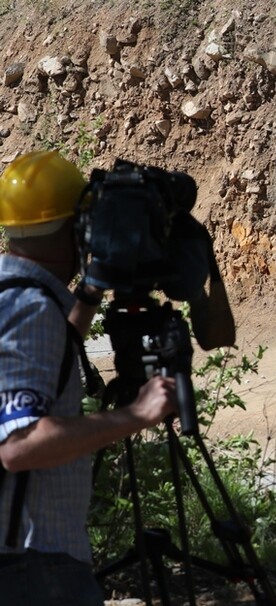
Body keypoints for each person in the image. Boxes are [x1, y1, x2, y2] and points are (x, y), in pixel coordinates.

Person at [0, 151, 178, 605]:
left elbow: (52, 356)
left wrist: (93, 288)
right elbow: (18, 444)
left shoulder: (17, 296)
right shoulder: (32, 310)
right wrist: (135, 414)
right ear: (75, 229)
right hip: (35, 566)